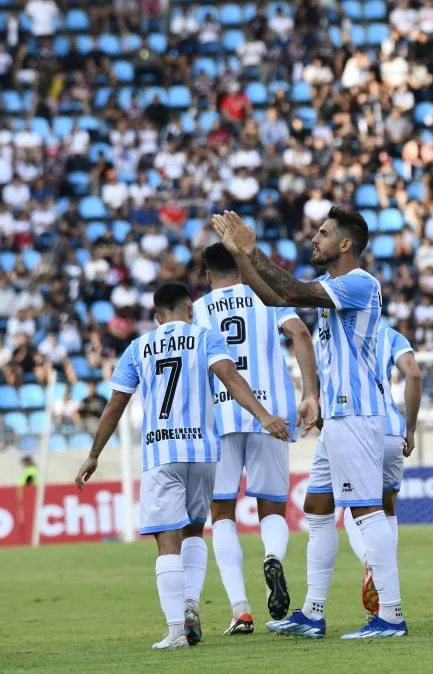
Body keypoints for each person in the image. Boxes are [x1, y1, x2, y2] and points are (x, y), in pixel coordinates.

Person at [212, 209, 406, 639]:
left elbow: (292, 290)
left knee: (366, 509)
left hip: (356, 412)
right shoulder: (337, 288)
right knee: (317, 508)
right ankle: (313, 613)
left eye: (322, 233)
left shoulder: (359, 283)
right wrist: (241, 257)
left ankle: (391, 615)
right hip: (336, 413)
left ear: (345, 245)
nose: (313, 239)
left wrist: (251, 250)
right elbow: (274, 298)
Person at [73, 283, 290, 650]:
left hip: (162, 454)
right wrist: (264, 415)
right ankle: (190, 602)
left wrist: (94, 453)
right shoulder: (206, 338)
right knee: (193, 533)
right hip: (204, 453)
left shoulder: (139, 347)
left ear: (157, 317)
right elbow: (231, 378)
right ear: (189, 310)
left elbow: (116, 405)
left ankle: (176, 629)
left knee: (166, 542)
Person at [191, 243, 320, 635]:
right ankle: (272, 556)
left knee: (222, 514)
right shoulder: (265, 296)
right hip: (272, 413)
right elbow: (299, 332)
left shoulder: (197, 310)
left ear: (208, 275)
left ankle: (241, 610)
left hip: (221, 415)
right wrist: (309, 392)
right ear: (242, 268)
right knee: (272, 509)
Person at [344, 321, 422, 618]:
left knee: (355, 507)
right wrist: (411, 429)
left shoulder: (332, 331)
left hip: (355, 428)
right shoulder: (389, 334)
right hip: (390, 431)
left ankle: (370, 562)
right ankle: (386, 597)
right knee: (387, 508)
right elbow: (413, 373)